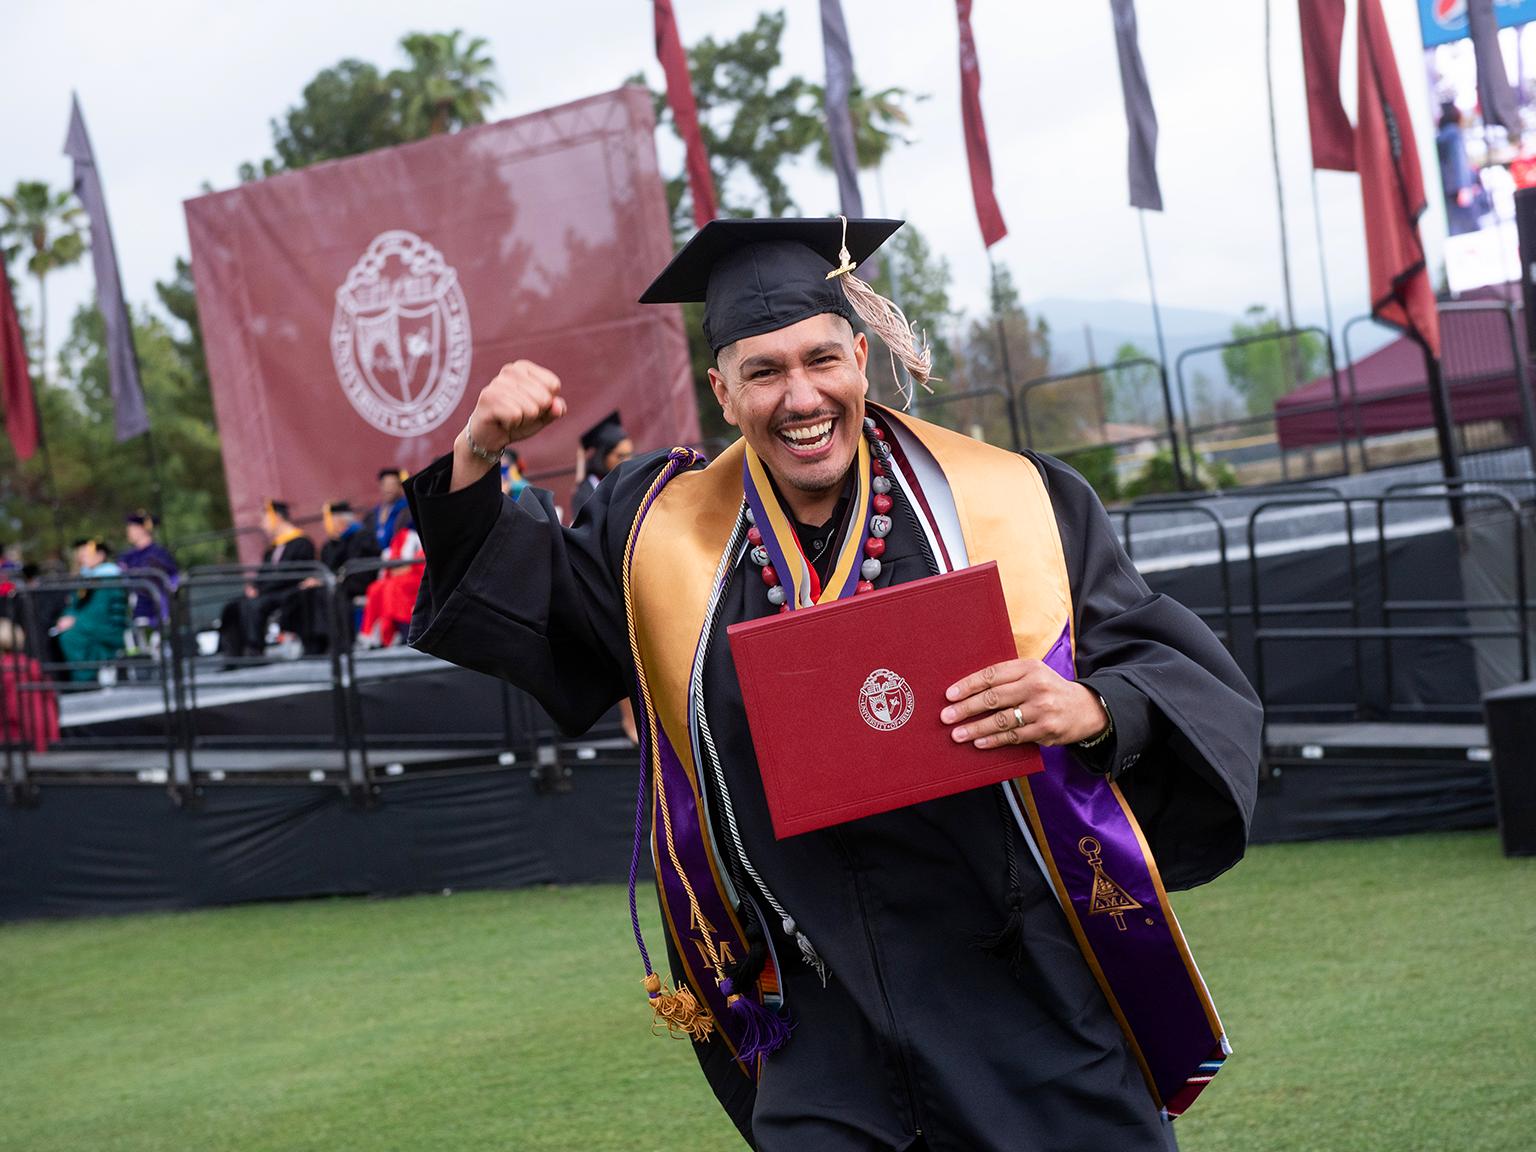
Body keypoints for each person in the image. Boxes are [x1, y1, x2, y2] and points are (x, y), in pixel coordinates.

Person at [406, 217, 1261, 1151]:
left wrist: (1095, 707)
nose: (800, 396)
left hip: (1028, 1004)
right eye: (763, 372)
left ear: (861, 356)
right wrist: (479, 454)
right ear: (722, 392)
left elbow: (1160, 660)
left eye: (821, 360)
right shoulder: (660, 541)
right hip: (824, 1027)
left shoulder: (1010, 502)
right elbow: (534, 607)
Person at [217, 500, 318, 662]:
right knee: (233, 606)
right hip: (269, 591)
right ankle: (232, 653)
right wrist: (254, 586)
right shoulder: (272, 548)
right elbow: (263, 572)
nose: (263, 524)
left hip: (288, 590)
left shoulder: (302, 543)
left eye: (265, 518)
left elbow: (293, 573)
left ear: (277, 517)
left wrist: (261, 590)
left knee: (255, 604)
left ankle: (254, 649)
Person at [298, 501, 381, 652]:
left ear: (341, 521)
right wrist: (319, 580)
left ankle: (338, 644)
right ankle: (313, 644)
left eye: (328, 520)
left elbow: (361, 569)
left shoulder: (362, 537)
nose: (325, 525)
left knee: (328, 593)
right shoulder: (329, 545)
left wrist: (331, 581)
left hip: (357, 582)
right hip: (337, 582)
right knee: (307, 591)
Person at [53, 538, 127, 683]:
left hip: (106, 627)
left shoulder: (109, 577)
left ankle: (86, 680)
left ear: (100, 556)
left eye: (87, 554)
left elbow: (100, 612)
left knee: (71, 637)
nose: (82, 557)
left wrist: (75, 621)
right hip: (88, 623)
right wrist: (66, 617)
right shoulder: (88, 578)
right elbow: (74, 605)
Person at [358, 508, 423, 648]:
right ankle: (378, 635)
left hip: (418, 575)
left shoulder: (414, 538)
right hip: (404, 575)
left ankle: (404, 631)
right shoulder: (399, 538)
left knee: (393, 587)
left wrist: (401, 570)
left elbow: (412, 564)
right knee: (375, 589)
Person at [0, 617, 59, 752]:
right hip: (45, 741)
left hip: (13, 746)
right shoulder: (33, 667)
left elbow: (13, 712)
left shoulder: (6, 671)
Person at [118, 511, 179, 628]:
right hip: (134, 607)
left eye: (132, 527)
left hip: (155, 609)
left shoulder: (158, 554)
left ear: (142, 529)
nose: (128, 531)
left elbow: (172, 580)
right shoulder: (128, 556)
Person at [570, 409, 632, 516]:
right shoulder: (586, 493)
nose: (628, 461)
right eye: (620, 456)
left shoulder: (631, 481)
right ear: (602, 456)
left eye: (630, 454)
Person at [363, 467, 410, 552]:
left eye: (392, 485)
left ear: (400, 487)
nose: (389, 489)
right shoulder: (373, 514)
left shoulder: (407, 511)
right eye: (385, 484)